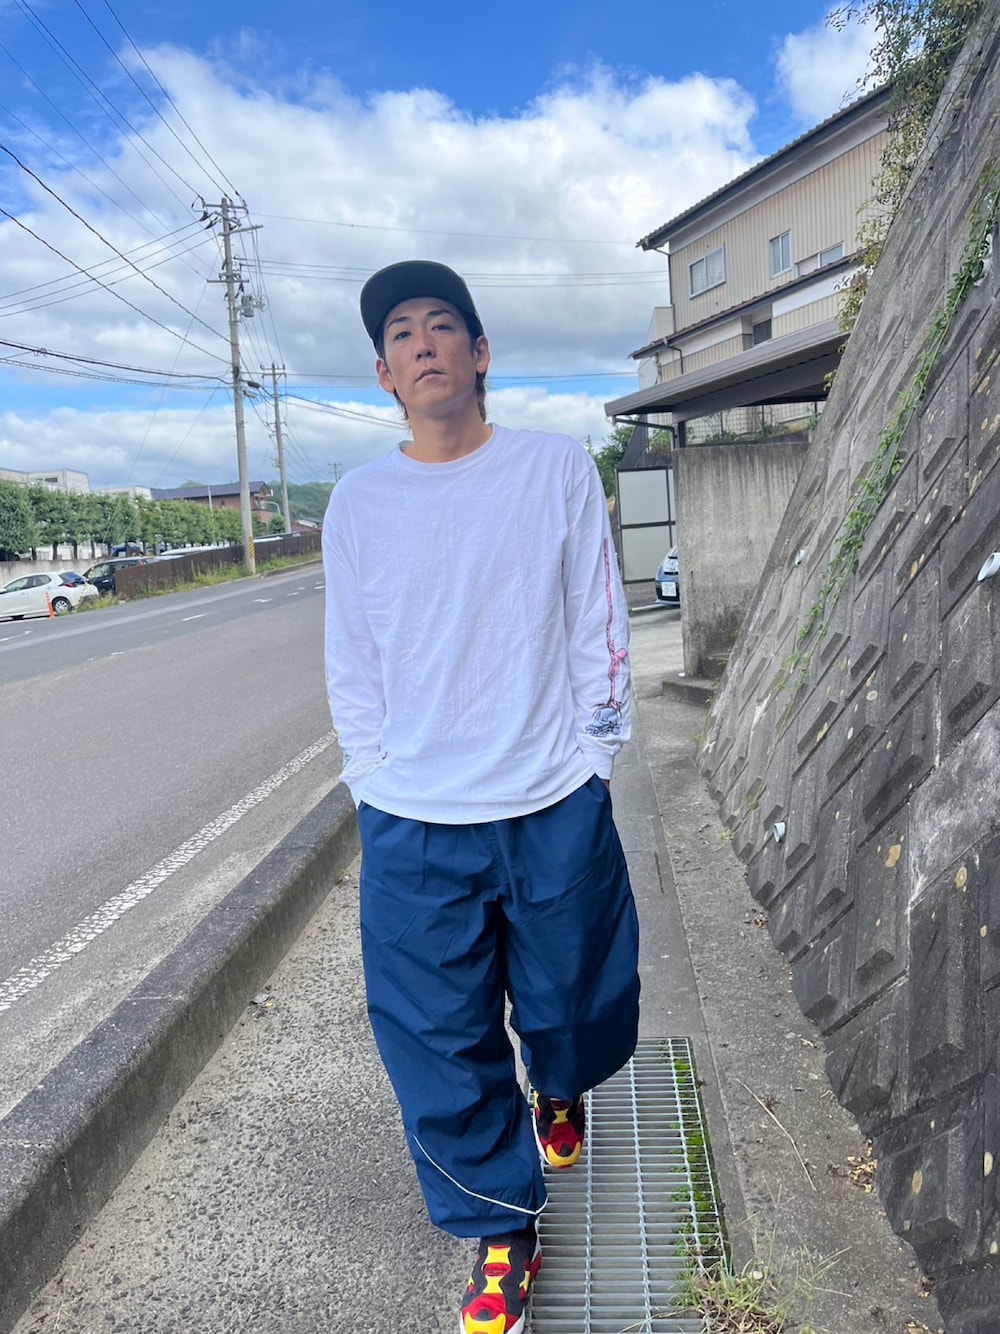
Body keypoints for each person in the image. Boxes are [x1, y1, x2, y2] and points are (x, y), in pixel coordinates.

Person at [322, 260, 640, 1334]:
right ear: (384, 374)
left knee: (576, 998)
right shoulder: (359, 503)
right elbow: (352, 656)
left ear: (480, 352)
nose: (423, 342)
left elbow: (597, 616)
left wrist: (597, 758)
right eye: (401, 334)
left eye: (442, 324)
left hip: (551, 793)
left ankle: (560, 1084)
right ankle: (503, 1226)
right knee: (436, 1036)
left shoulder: (553, 469)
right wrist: (370, 776)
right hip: (413, 817)